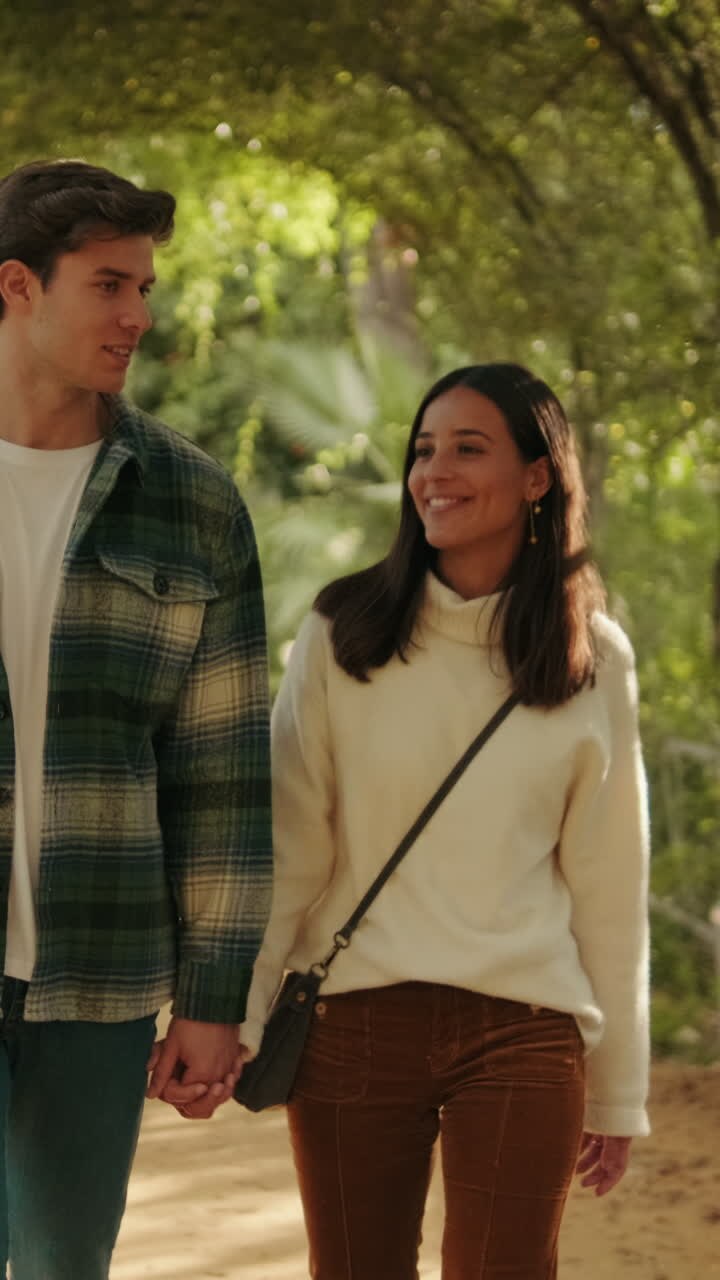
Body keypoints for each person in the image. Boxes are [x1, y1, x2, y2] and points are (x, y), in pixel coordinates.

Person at [243, 363, 650, 1280]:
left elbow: (610, 882)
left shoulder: (593, 656)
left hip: (525, 1027)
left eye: (469, 449)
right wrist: (239, 1012)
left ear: (537, 477)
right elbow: (292, 845)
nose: (435, 471)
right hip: (353, 1021)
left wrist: (618, 1092)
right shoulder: (343, 632)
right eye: (424, 450)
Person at [0, 159, 272, 1280]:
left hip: (97, 980)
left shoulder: (192, 502)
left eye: (145, 288)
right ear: (17, 284)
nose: (139, 317)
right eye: (109, 285)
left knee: (64, 1264)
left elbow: (224, 779)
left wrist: (212, 998)